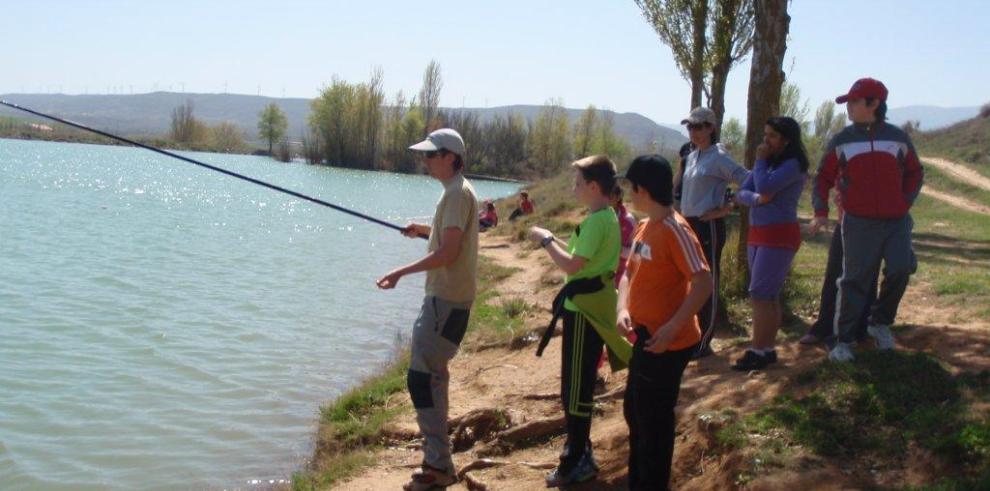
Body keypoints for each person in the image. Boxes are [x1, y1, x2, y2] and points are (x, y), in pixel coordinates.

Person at [376, 128, 479, 491]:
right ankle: (438, 462)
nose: (426, 160)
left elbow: (449, 254)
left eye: (431, 155)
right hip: (450, 303)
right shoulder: (457, 191)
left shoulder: (455, 194)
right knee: (430, 377)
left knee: (423, 379)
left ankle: (438, 467)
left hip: (445, 304)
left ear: (451, 157)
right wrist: (422, 230)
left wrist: (399, 272)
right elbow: (452, 238)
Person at [528, 155, 632, 488]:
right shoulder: (606, 217)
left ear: (592, 186)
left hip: (584, 311)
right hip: (589, 305)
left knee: (574, 389)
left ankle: (575, 461)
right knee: (578, 384)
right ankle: (581, 451)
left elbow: (572, 267)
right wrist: (551, 239)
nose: (573, 188)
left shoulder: (598, 221)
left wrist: (546, 241)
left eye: (577, 183)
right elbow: (579, 261)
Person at [808, 78, 923, 362]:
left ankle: (879, 322)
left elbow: (915, 173)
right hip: (857, 222)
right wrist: (820, 212)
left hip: (896, 221)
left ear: (873, 104)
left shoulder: (898, 137)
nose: (848, 107)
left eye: (854, 101)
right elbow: (822, 177)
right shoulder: (842, 140)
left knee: (901, 268)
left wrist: (904, 201)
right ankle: (844, 341)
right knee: (854, 281)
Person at [617, 154, 712, 491]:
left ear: (642, 189)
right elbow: (628, 274)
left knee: (653, 423)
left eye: (630, 187)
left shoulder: (676, 228)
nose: (627, 193)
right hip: (646, 337)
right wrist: (622, 309)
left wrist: (672, 326)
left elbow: (703, 282)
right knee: (635, 413)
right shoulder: (645, 226)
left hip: (669, 343)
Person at [730, 117, 808, 371]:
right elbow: (743, 192)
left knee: (760, 294)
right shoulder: (768, 164)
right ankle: (766, 349)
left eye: (772, 136)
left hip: (779, 234)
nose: (765, 141)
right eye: (765, 135)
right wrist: (759, 200)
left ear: (787, 139)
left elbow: (764, 185)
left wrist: (761, 163)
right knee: (767, 295)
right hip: (759, 232)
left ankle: (758, 350)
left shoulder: (792, 165)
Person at [678, 107, 749, 358]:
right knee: (691, 280)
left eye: (698, 127)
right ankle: (692, 335)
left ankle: (704, 341)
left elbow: (748, 180)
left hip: (707, 225)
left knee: (707, 280)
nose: (693, 132)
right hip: (688, 224)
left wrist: (728, 207)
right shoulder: (692, 155)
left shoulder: (718, 156)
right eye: (690, 127)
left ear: (710, 127)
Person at [799, 197, 877, 346]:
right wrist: (821, 211)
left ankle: (863, 329)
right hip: (846, 222)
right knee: (834, 276)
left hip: (875, 224)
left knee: (869, 276)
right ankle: (823, 328)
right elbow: (823, 177)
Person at [611, 185, 638, 288]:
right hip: (603, 276)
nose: (607, 199)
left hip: (624, 276)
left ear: (618, 197)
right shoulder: (597, 218)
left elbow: (638, 251)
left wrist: (618, 250)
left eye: (610, 196)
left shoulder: (628, 221)